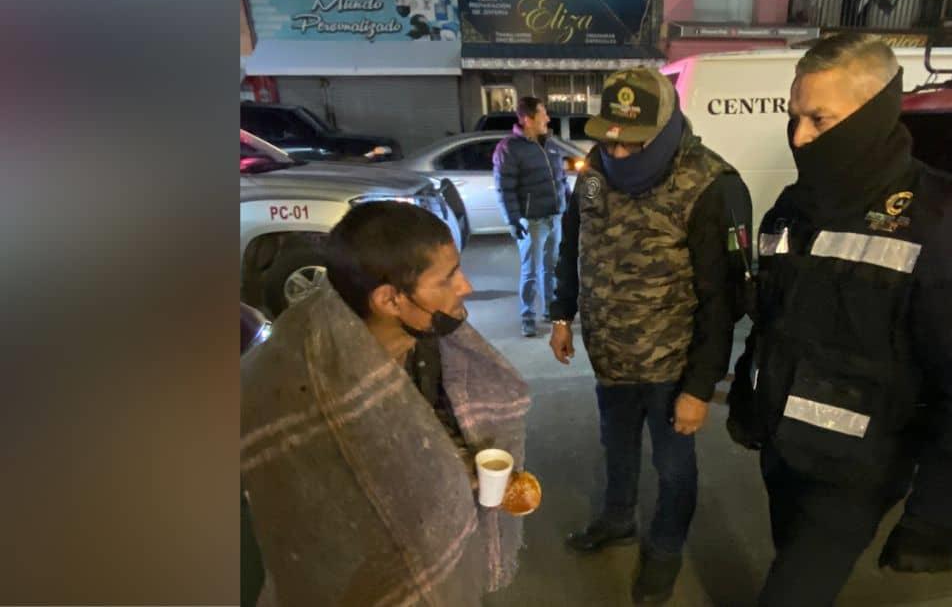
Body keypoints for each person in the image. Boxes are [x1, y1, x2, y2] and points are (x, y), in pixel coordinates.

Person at [724, 33, 952, 606]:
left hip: (858, 472)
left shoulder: (942, 221)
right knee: (794, 567)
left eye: (819, 120)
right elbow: (772, 325)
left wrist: (933, 515)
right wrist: (748, 402)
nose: (800, 137)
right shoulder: (790, 208)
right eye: (794, 117)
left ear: (873, 112)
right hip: (784, 450)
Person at [240, 202, 533, 606]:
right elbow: (336, 530)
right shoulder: (312, 394)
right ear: (390, 300)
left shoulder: (432, 349)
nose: (465, 287)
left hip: (454, 564)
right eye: (447, 279)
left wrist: (468, 469)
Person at [548, 67, 753, 605]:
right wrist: (562, 314)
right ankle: (618, 520)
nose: (615, 154)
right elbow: (572, 243)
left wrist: (698, 387)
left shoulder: (711, 184)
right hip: (610, 356)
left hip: (673, 369)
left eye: (631, 143)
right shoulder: (593, 170)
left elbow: (722, 301)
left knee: (674, 470)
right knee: (616, 449)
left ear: (663, 131)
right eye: (608, 140)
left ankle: (664, 553)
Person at [493, 96, 571, 337]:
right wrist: (514, 220)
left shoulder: (550, 144)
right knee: (531, 271)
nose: (547, 118)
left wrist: (567, 205)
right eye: (542, 114)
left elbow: (561, 179)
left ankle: (550, 309)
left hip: (554, 216)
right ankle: (528, 316)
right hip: (532, 220)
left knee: (552, 268)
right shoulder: (509, 149)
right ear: (528, 119)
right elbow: (504, 188)